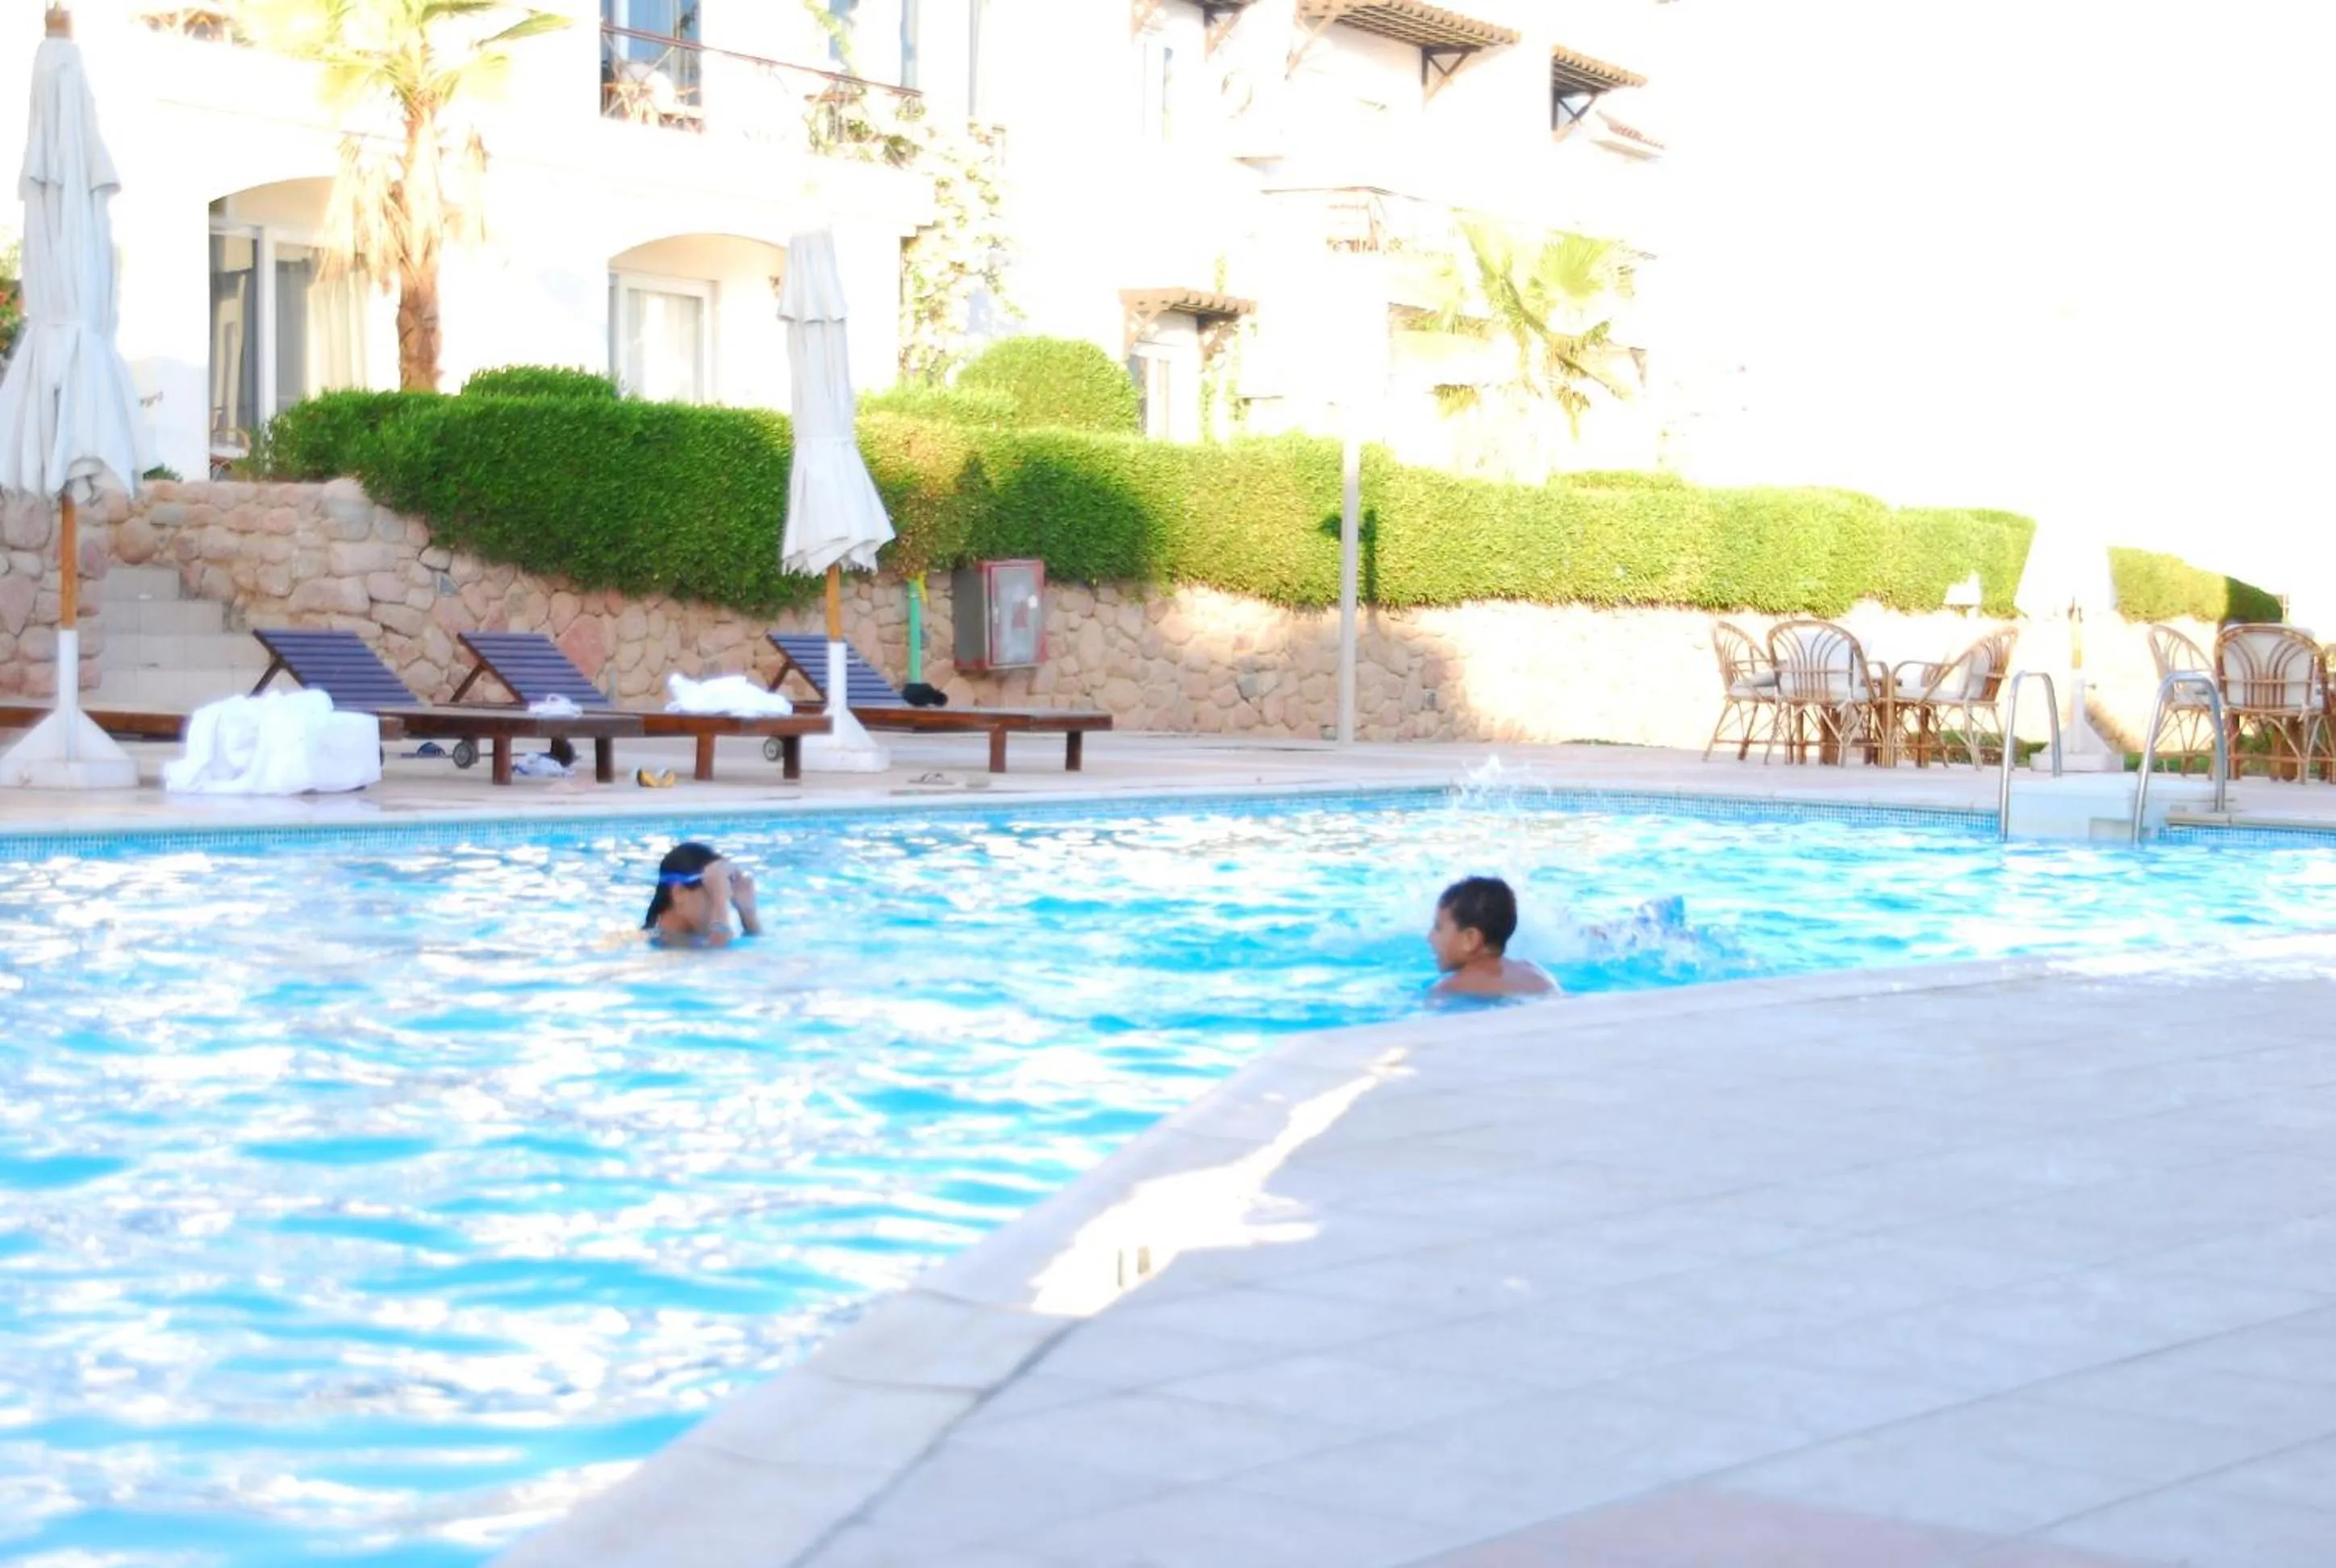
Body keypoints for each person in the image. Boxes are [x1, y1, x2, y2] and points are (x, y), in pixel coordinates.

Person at [1428, 875, 1555, 999]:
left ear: (1470, 939)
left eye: (1438, 927)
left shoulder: (1450, 988)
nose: (1430, 937)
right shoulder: (1536, 975)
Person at [643, 841, 761, 947]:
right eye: (713, 889)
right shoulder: (638, 942)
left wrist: (747, 913)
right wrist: (719, 901)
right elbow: (718, 958)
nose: (724, 898)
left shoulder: (695, 943)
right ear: (679, 893)